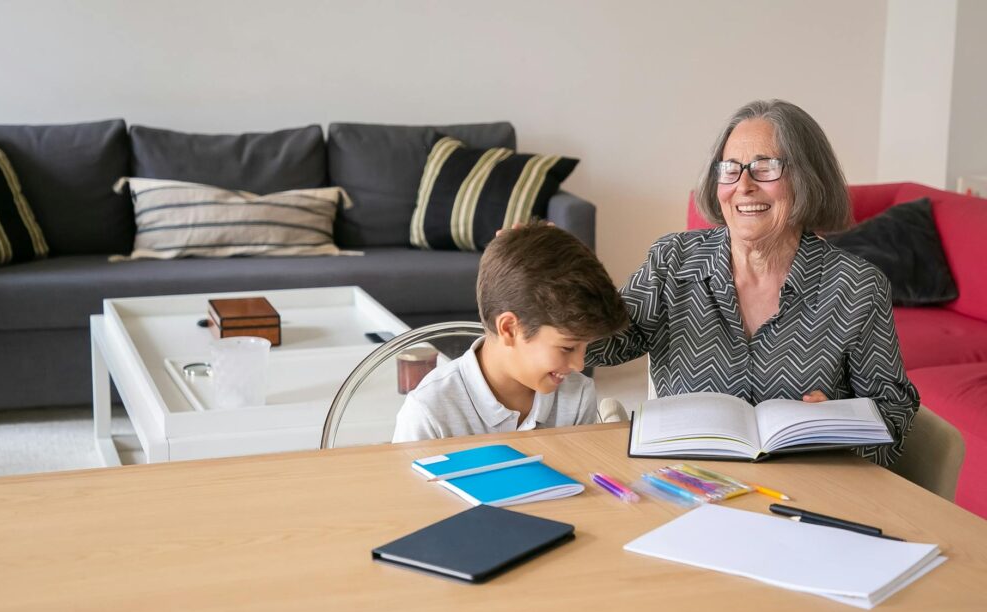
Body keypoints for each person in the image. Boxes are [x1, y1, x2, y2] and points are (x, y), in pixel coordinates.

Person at [586, 99, 919, 465]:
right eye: (730, 169)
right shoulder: (674, 261)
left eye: (765, 168)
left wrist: (841, 427)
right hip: (689, 478)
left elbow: (894, 411)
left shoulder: (857, 286)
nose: (743, 185)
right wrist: (551, 284)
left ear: (807, 179)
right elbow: (602, 344)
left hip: (806, 483)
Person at [393, 219, 629, 443]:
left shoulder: (578, 396)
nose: (579, 364)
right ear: (508, 328)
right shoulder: (429, 411)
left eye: (585, 346)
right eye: (568, 348)